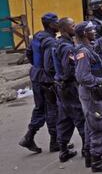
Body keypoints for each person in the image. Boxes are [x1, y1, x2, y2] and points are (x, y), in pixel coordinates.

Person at [74, 20, 102, 172]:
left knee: (91, 126)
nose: (94, 32)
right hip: (91, 95)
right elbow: (82, 77)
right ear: (84, 34)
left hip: (92, 94)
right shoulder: (83, 53)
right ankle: (98, 161)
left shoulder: (89, 47)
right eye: (91, 30)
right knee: (100, 126)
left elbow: (101, 43)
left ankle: (90, 156)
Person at [19, 13, 60, 154]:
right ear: (50, 25)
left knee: (40, 108)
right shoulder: (50, 42)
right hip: (46, 79)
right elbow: (50, 65)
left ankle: (29, 137)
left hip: (36, 76)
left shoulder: (37, 36)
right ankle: (55, 142)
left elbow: (29, 53)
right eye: (56, 22)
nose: (59, 24)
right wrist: (55, 75)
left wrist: (37, 67)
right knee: (52, 109)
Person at [53, 17, 85, 163]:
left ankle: (63, 150)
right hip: (69, 87)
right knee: (79, 116)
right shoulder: (67, 48)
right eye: (72, 26)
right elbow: (69, 69)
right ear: (65, 29)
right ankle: (88, 149)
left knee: (64, 119)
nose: (75, 27)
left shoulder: (59, 44)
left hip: (61, 86)